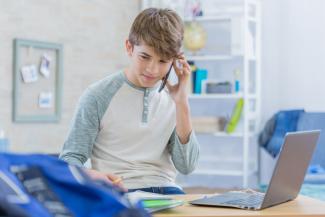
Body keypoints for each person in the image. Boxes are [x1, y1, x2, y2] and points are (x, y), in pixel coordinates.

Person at [59, 7, 200, 195]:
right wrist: (94, 175)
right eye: (145, 56)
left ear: (175, 61)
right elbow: (71, 158)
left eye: (163, 61)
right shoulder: (97, 95)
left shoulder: (174, 99)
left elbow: (187, 166)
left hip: (167, 192)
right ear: (129, 48)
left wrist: (182, 102)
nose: (152, 69)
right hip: (118, 190)